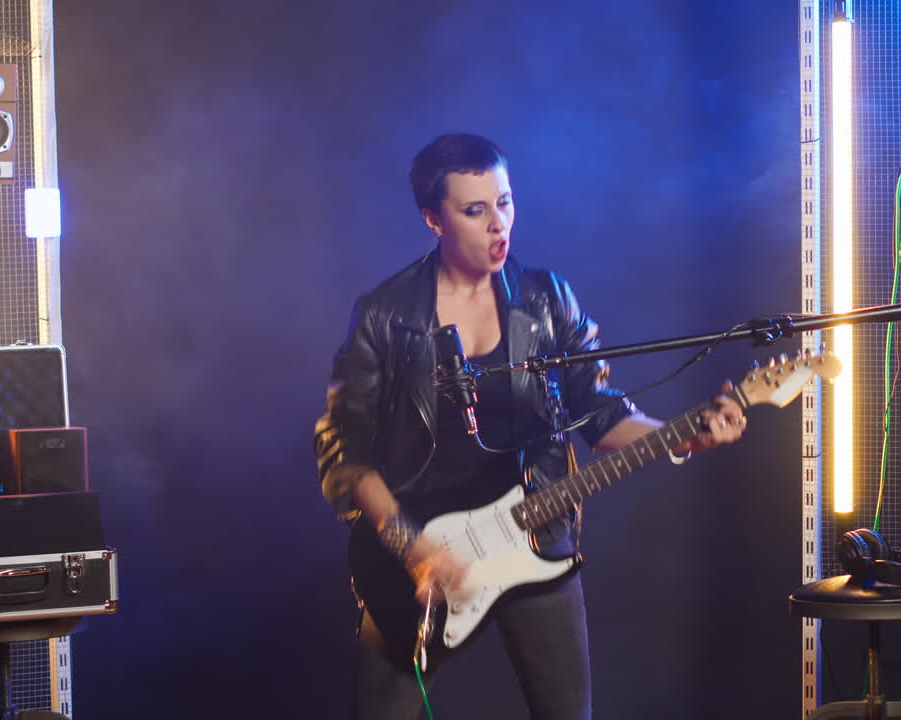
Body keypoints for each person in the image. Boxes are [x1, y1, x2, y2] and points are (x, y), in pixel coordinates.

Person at [314, 133, 747, 720]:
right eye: (475, 210)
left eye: (506, 202)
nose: (499, 224)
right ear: (432, 219)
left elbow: (601, 414)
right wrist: (412, 549)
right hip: (413, 555)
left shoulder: (547, 301)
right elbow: (345, 454)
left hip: (534, 538)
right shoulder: (385, 315)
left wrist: (689, 434)